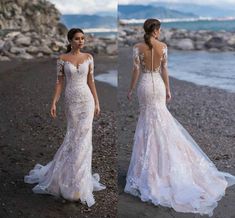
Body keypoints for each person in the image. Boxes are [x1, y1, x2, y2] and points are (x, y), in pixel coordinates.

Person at [124, 18, 235, 217]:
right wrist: (168, 88)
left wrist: (131, 89)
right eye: (159, 29)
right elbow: (165, 69)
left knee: (147, 123)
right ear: (156, 30)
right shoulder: (163, 47)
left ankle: (148, 168)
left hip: (144, 86)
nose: (159, 32)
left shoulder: (137, 47)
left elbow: (136, 70)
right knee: (161, 121)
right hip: (157, 85)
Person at [24, 28, 106, 207]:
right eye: (77, 39)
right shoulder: (62, 59)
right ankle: (65, 177)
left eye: (83, 39)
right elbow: (59, 82)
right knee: (73, 136)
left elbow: (91, 81)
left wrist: (97, 103)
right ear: (70, 40)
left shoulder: (89, 58)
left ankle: (79, 182)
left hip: (87, 100)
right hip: (71, 100)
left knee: (85, 138)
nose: (81, 41)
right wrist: (53, 102)